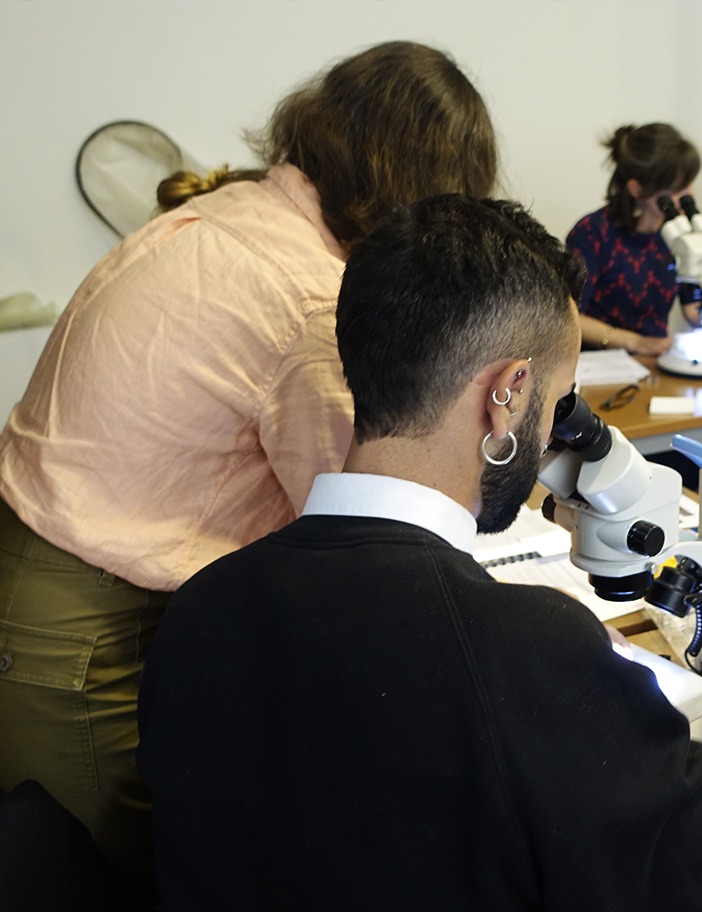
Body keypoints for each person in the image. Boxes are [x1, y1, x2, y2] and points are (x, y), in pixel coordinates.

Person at [137, 194, 702, 910]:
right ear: (508, 393)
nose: (550, 440)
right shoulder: (520, 652)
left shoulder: (198, 611)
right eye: (558, 403)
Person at [0, 40, 496, 902]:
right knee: (100, 873)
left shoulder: (237, 212)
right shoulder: (307, 295)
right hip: (76, 619)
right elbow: (362, 519)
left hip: (74, 575)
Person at [566, 122, 699, 356]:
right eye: (675, 190)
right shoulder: (593, 233)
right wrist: (635, 342)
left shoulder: (680, 233)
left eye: (688, 185)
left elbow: (694, 310)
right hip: (601, 364)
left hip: (656, 360)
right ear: (637, 190)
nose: (686, 197)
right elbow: (568, 315)